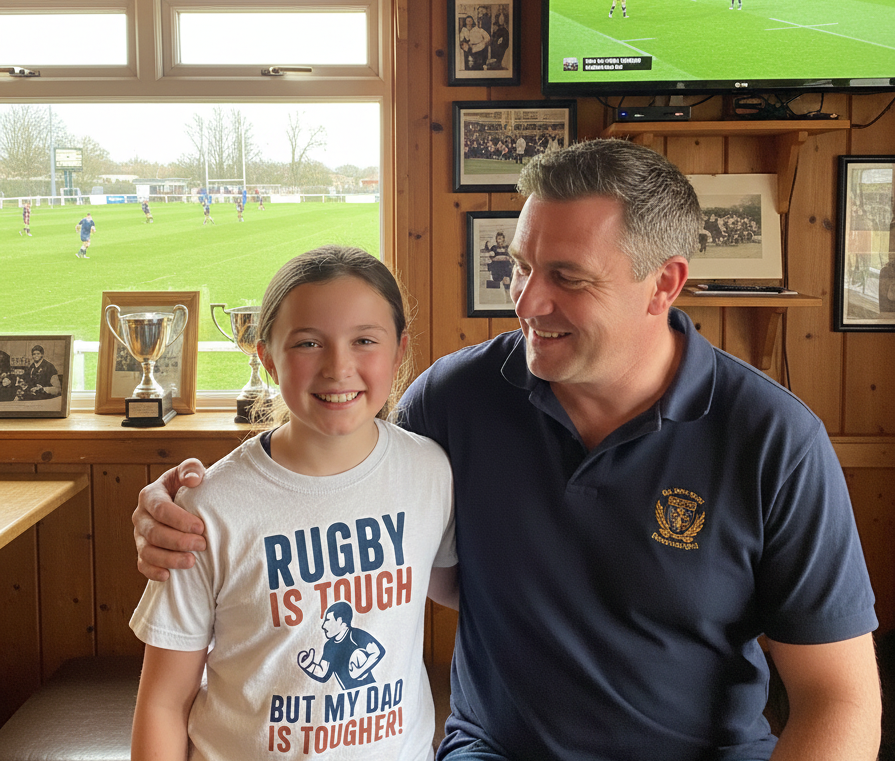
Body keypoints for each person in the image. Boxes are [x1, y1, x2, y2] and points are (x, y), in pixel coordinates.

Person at [133, 141, 881, 761]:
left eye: (566, 278)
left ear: (664, 286)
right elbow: (326, 450)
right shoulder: (452, 401)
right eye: (520, 265)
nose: (524, 302)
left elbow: (840, 699)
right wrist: (180, 506)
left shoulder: (772, 438)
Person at [129, 246, 457, 761]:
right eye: (308, 343)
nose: (338, 367)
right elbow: (164, 704)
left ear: (398, 353)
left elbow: (461, 589)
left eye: (364, 341)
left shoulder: (431, 472)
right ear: (266, 357)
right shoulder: (208, 506)